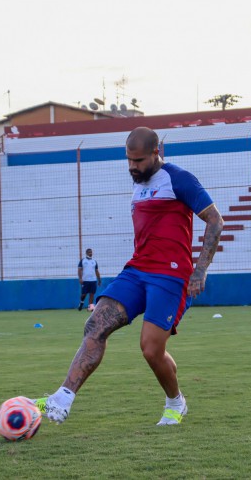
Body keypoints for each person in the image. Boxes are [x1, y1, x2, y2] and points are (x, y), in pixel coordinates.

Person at [33, 126, 224, 426]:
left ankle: (176, 402)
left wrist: (200, 270)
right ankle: (62, 398)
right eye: (128, 160)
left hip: (171, 277)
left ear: (156, 153)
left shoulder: (179, 179)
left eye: (138, 161)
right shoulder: (139, 183)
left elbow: (215, 220)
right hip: (137, 270)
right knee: (95, 324)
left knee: (150, 349)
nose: (132, 167)